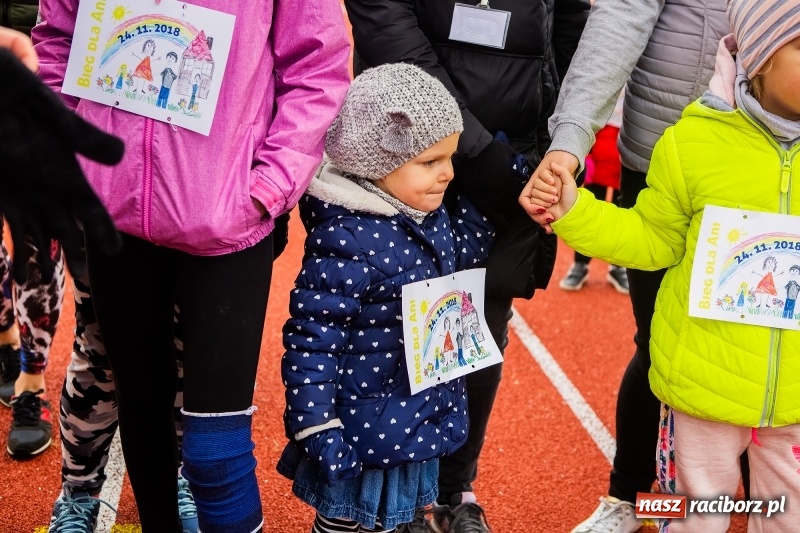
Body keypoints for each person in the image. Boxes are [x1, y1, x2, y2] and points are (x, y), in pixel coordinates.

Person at [33, 0, 350, 531]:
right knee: (141, 402)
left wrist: (268, 187)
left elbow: (316, 67)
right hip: (114, 216)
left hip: (228, 223)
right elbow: (57, 41)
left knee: (216, 443)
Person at [525, 2, 800, 530]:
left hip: (792, 402)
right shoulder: (692, 144)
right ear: (760, 57)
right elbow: (650, 236)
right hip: (702, 395)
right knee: (697, 515)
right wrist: (575, 211)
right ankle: (628, 498)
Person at [342, 2, 591, 529]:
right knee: (385, 331)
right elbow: (385, 19)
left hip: (516, 160)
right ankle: (394, 497)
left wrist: (565, 144)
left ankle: (454, 489)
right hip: (412, 149)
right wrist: (471, 151)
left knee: (474, 337)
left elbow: (570, 26)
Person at [276, 62, 494, 533]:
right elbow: (313, 340)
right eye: (430, 162)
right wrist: (316, 425)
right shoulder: (347, 240)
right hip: (360, 432)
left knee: (398, 521)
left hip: (411, 417)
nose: (447, 174)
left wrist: (489, 208)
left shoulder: (423, 213)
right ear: (377, 165)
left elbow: (458, 261)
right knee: (347, 522)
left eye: (450, 158)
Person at [560, 91, 628, 293]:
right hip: (600, 142)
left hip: (628, 144)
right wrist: (585, 155)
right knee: (589, 215)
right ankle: (580, 264)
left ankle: (618, 266)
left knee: (623, 217)